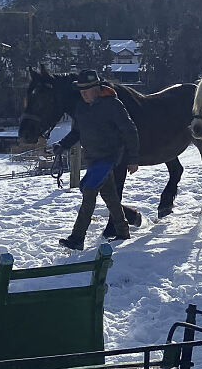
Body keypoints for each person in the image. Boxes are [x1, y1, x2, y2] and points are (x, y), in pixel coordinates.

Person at [52, 69, 140, 250]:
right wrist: (62, 145)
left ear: (98, 88)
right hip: (93, 159)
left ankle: (77, 238)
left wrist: (133, 158)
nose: (83, 94)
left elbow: (129, 130)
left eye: (87, 90)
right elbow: (77, 132)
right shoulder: (81, 108)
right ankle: (123, 231)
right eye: (81, 91)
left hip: (109, 158)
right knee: (110, 197)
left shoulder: (113, 105)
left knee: (89, 194)